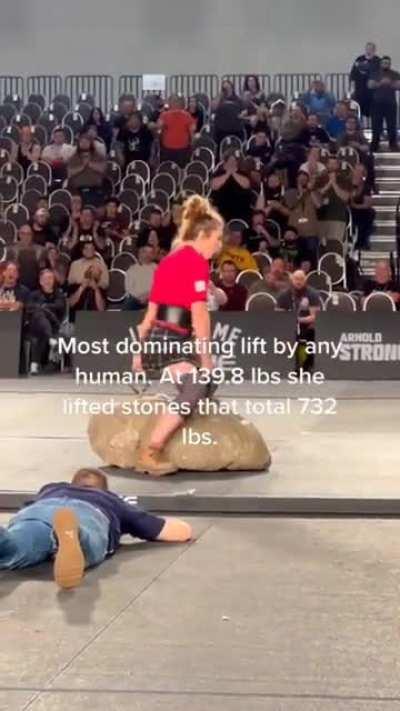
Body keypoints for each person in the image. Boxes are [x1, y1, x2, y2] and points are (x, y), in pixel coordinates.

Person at [132, 195, 224, 475]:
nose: (220, 246)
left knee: (208, 385)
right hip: (170, 342)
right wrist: (206, 358)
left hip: (163, 339)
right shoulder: (195, 262)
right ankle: (152, 450)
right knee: (199, 384)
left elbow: (148, 316)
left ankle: (174, 410)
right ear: (204, 235)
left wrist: (138, 354)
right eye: (217, 239)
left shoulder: (171, 261)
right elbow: (200, 315)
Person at [0, 467, 192, 589]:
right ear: (104, 489)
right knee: (90, 542)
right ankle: (76, 535)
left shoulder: (51, 489)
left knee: (14, 546)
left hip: (39, 512)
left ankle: (4, 539)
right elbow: (173, 531)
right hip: (88, 514)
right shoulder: (111, 500)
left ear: (73, 483)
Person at [277, 270, 321, 370]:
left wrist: (297, 320)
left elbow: (314, 317)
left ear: (305, 280)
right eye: (296, 279)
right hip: (288, 326)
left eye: (301, 279)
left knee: (307, 334)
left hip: (306, 325)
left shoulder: (312, 293)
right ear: (292, 280)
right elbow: (278, 317)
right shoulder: (284, 295)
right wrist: (290, 322)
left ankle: (305, 365)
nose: (298, 282)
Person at [27, 269, 66, 375]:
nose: (48, 281)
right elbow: (29, 308)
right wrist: (44, 309)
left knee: (41, 326)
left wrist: (44, 307)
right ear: (40, 281)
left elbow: (60, 306)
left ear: (54, 281)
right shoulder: (34, 294)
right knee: (39, 316)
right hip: (35, 325)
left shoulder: (59, 294)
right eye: (45, 278)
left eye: (50, 278)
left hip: (54, 325)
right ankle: (50, 338)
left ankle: (34, 365)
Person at [67, 239, 109, 319]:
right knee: (78, 291)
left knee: (95, 292)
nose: (89, 251)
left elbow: (105, 283)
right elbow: (70, 281)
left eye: (92, 249)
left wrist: (95, 285)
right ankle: (75, 320)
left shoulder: (101, 264)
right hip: (79, 286)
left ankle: (95, 320)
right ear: (82, 251)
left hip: (95, 287)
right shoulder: (75, 264)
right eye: (87, 248)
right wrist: (83, 283)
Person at [368, 56, 400, 152]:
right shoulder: (375, 73)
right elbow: (370, 85)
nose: (386, 64)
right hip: (377, 103)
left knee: (392, 125)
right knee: (376, 125)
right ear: (381, 63)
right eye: (384, 62)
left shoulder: (395, 73)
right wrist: (380, 83)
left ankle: (393, 144)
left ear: (390, 64)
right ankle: (375, 145)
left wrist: (390, 83)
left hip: (390, 103)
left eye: (387, 63)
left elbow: (399, 85)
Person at [210, 152, 252, 223]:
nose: (232, 163)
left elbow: (246, 185)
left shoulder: (243, 173)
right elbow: (214, 186)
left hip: (240, 207)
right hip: (221, 207)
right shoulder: (218, 173)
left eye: (234, 161)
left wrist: (233, 173)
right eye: (230, 161)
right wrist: (227, 173)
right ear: (225, 162)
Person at [67, 132, 107, 204]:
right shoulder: (73, 157)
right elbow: (70, 173)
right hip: (77, 191)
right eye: (82, 142)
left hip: (95, 189)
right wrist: (82, 167)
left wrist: (90, 164)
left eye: (86, 142)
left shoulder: (98, 156)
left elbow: (103, 169)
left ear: (91, 143)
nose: (84, 143)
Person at [318, 157, 351, 243]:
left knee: (335, 245)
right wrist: (329, 183)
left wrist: (334, 183)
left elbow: (345, 197)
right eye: (330, 163)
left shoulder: (344, 180)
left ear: (338, 165)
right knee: (322, 246)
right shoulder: (320, 179)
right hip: (320, 219)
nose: (332, 166)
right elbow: (317, 195)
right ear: (326, 165)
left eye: (334, 164)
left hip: (337, 218)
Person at [158, 95, 195, 167]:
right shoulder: (187, 115)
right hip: (175, 149)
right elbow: (192, 132)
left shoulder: (164, 115)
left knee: (169, 169)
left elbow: (159, 129)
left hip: (175, 149)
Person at [8, 224, 45, 291]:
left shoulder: (40, 250)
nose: (26, 236)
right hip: (16, 287)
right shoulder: (11, 250)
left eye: (28, 234)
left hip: (35, 288)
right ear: (19, 234)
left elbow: (43, 271)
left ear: (32, 235)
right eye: (23, 233)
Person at [350, 42, 381, 119]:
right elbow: (353, 74)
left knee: (374, 113)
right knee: (357, 112)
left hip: (372, 93)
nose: (368, 50)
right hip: (359, 91)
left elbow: (377, 73)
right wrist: (352, 88)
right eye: (367, 48)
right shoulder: (359, 59)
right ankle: (359, 129)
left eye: (371, 49)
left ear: (374, 50)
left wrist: (363, 66)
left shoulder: (378, 60)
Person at [212, 80, 245, 149]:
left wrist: (242, 115)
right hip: (221, 129)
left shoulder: (237, 100)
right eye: (225, 88)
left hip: (235, 129)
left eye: (228, 87)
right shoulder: (220, 98)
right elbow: (213, 107)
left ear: (232, 88)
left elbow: (243, 111)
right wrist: (220, 96)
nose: (227, 89)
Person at [123, 245, 157, 310]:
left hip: (153, 298)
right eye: (145, 252)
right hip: (136, 299)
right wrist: (140, 298)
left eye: (150, 252)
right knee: (128, 303)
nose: (148, 255)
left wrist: (148, 296)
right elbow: (129, 288)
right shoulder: (132, 269)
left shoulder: (157, 268)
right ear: (140, 253)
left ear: (153, 255)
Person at [351, 164, 375, 251]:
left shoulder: (367, 187)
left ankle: (362, 242)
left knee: (370, 213)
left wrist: (355, 206)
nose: (356, 174)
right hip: (349, 211)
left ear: (363, 175)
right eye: (355, 171)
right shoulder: (347, 185)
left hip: (361, 211)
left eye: (359, 172)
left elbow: (368, 204)